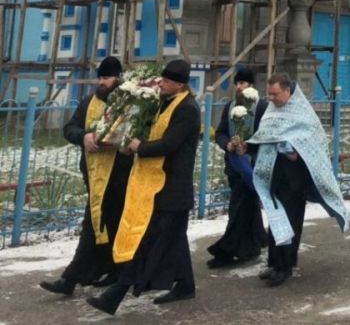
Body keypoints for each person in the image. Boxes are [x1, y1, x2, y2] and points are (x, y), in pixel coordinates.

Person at [86, 60, 200, 315]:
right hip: (157, 184)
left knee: (149, 240)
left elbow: (169, 144)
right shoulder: (164, 102)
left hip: (171, 187)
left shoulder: (188, 109)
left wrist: (140, 147)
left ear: (179, 85)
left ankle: (114, 296)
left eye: (166, 81)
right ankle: (185, 285)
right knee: (174, 239)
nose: (161, 84)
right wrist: (131, 143)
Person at [248, 73, 350, 287]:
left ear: (288, 91)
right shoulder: (271, 110)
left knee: (290, 222)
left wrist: (297, 154)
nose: (272, 98)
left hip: (294, 179)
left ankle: (285, 267)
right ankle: (274, 263)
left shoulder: (304, 113)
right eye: (269, 94)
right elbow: (264, 136)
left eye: (276, 94)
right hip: (273, 174)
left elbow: (315, 146)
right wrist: (246, 146)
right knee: (275, 220)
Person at [41, 56, 131, 297]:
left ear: (118, 79)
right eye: (100, 78)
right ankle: (86, 275)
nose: (102, 82)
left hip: (119, 177)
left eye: (107, 78)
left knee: (108, 226)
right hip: (93, 176)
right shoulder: (88, 102)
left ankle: (82, 277)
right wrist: (83, 137)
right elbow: (69, 128)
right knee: (95, 225)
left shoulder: (130, 104)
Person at [205, 65, 268, 267]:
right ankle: (253, 244)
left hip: (254, 165)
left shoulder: (262, 107)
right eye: (237, 83)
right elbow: (221, 132)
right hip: (234, 165)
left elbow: (267, 135)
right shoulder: (230, 106)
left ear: (251, 85)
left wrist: (248, 146)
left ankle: (227, 251)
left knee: (239, 207)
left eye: (243, 83)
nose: (239, 87)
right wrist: (228, 144)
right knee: (247, 206)